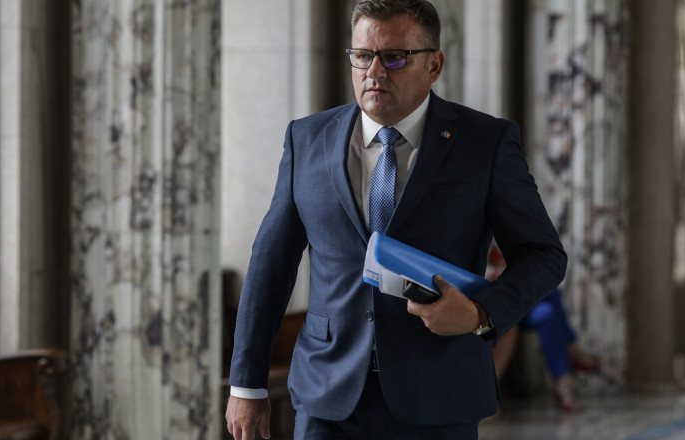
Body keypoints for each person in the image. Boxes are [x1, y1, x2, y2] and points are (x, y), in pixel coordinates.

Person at [225, 1, 567, 439]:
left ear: (434, 65)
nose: (374, 72)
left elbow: (543, 255)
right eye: (362, 56)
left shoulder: (485, 142)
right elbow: (270, 264)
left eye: (394, 57)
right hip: (327, 396)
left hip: (438, 394)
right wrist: (246, 383)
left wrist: (480, 313)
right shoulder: (306, 139)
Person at [487, 245, 600, 412]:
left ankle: (563, 378)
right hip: (494, 308)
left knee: (549, 309)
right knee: (550, 294)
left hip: (512, 307)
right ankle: (569, 358)